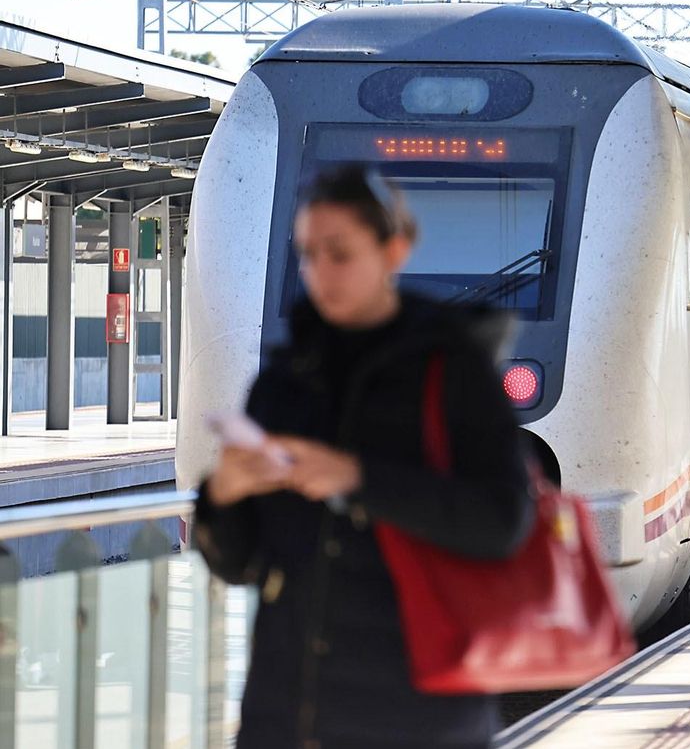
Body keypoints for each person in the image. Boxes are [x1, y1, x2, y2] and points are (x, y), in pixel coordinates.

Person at [192, 166, 535, 749]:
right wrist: (223, 496)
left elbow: (504, 522)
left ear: (394, 250)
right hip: (288, 713)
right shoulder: (283, 380)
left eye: (340, 253)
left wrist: (357, 478)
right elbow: (241, 565)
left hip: (418, 716)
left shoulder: (450, 369)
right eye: (309, 254)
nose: (320, 273)